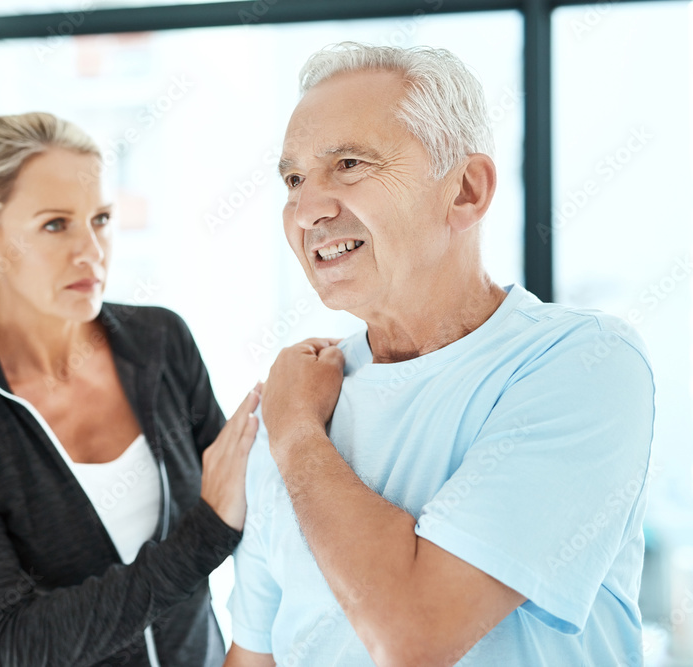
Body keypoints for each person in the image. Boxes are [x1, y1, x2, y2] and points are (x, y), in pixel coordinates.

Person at [225, 43, 655, 667]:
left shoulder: (581, 362)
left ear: (465, 190)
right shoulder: (300, 393)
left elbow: (415, 636)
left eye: (348, 164)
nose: (307, 209)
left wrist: (295, 435)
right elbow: (255, 655)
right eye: (293, 179)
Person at [0, 111, 260, 667]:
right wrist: (203, 536)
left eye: (102, 219)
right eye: (56, 225)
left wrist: (252, 652)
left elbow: (254, 513)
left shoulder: (162, 343)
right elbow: (18, 643)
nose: (91, 250)